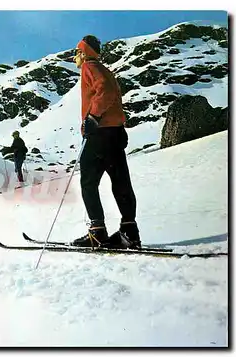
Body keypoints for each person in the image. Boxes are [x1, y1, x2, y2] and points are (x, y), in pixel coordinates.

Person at [71, 35, 141, 249]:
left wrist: (93, 117)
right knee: (120, 182)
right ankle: (129, 232)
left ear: (83, 52)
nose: (75, 57)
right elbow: (111, 93)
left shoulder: (89, 67)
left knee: (88, 184)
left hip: (99, 135)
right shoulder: (104, 68)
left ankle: (97, 232)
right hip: (115, 133)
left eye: (76, 52)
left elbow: (106, 92)